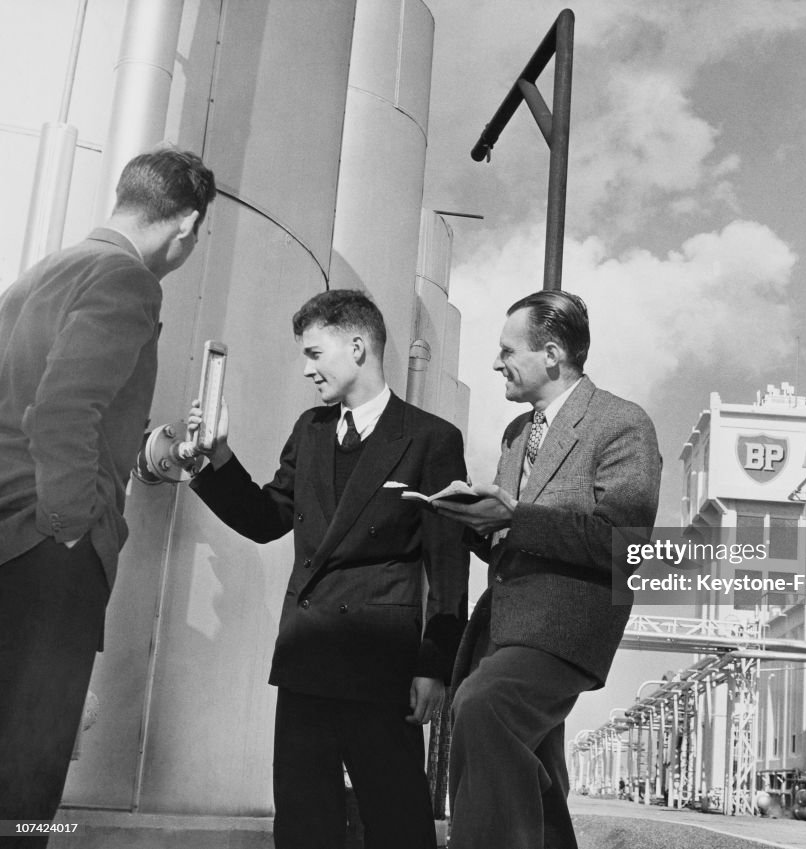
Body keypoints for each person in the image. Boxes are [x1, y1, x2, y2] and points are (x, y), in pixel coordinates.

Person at [188, 289, 469, 849]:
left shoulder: (432, 438)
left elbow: (448, 565)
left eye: (314, 354)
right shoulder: (311, 429)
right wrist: (218, 456)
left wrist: (434, 665)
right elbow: (269, 518)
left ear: (358, 347)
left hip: (381, 666)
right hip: (306, 658)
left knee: (397, 823)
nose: (307, 369)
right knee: (302, 824)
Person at [0, 147, 215, 838]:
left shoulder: (42, 273)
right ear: (185, 223)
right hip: (46, 550)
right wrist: (70, 526)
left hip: (9, 537)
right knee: (24, 776)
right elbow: (66, 408)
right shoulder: (127, 280)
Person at [435, 289, 662, 849]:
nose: (496, 363)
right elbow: (515, 539)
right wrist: (474, 522)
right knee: (533, 769)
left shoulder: (621, 423)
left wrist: (516, 516)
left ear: (553, 354)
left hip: (566, 627)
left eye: (508, 351)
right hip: (508, 626)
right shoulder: (517, 434)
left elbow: (624, 543)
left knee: (482, 706)